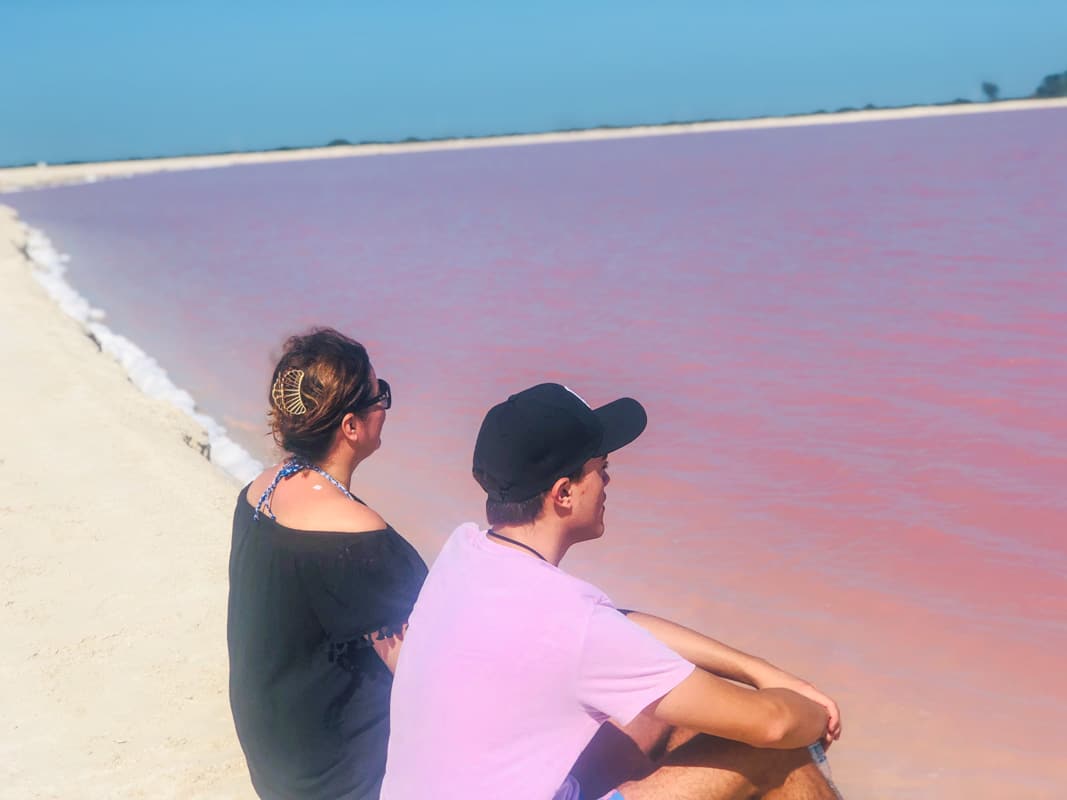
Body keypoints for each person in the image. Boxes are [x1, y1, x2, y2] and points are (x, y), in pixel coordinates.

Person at [382, 383, 843, 800]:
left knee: (667, 713)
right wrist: (813, 714)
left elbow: (614, 626)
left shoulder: (464, 553)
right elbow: (772, 724)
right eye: (601, 468)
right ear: (563, 493)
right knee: (775, 753)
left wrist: (759, 672)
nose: (609, 481)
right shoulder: (575, 625)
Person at [227, 328, 427, 800]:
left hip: (275, 757)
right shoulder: (355, 537)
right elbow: (422, 664)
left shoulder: (260, 491)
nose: (384, 406)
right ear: (352, 427)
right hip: (334, 775)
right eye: (381, 396)